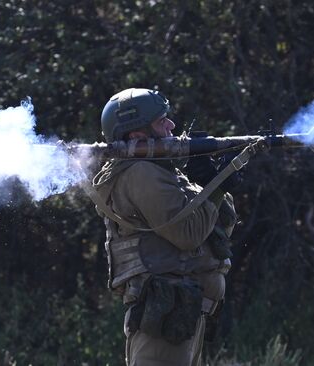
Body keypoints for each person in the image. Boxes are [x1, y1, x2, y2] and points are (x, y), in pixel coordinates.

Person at [93, 88, 239, 366]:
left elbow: (217, 232)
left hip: (181, 314)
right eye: (161, 121)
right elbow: (188, 234)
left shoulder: (162, 171)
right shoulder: (141, 173)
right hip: (165, 316)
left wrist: (211, 181)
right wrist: (216, 187)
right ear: (137, 135)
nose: (172, 126)